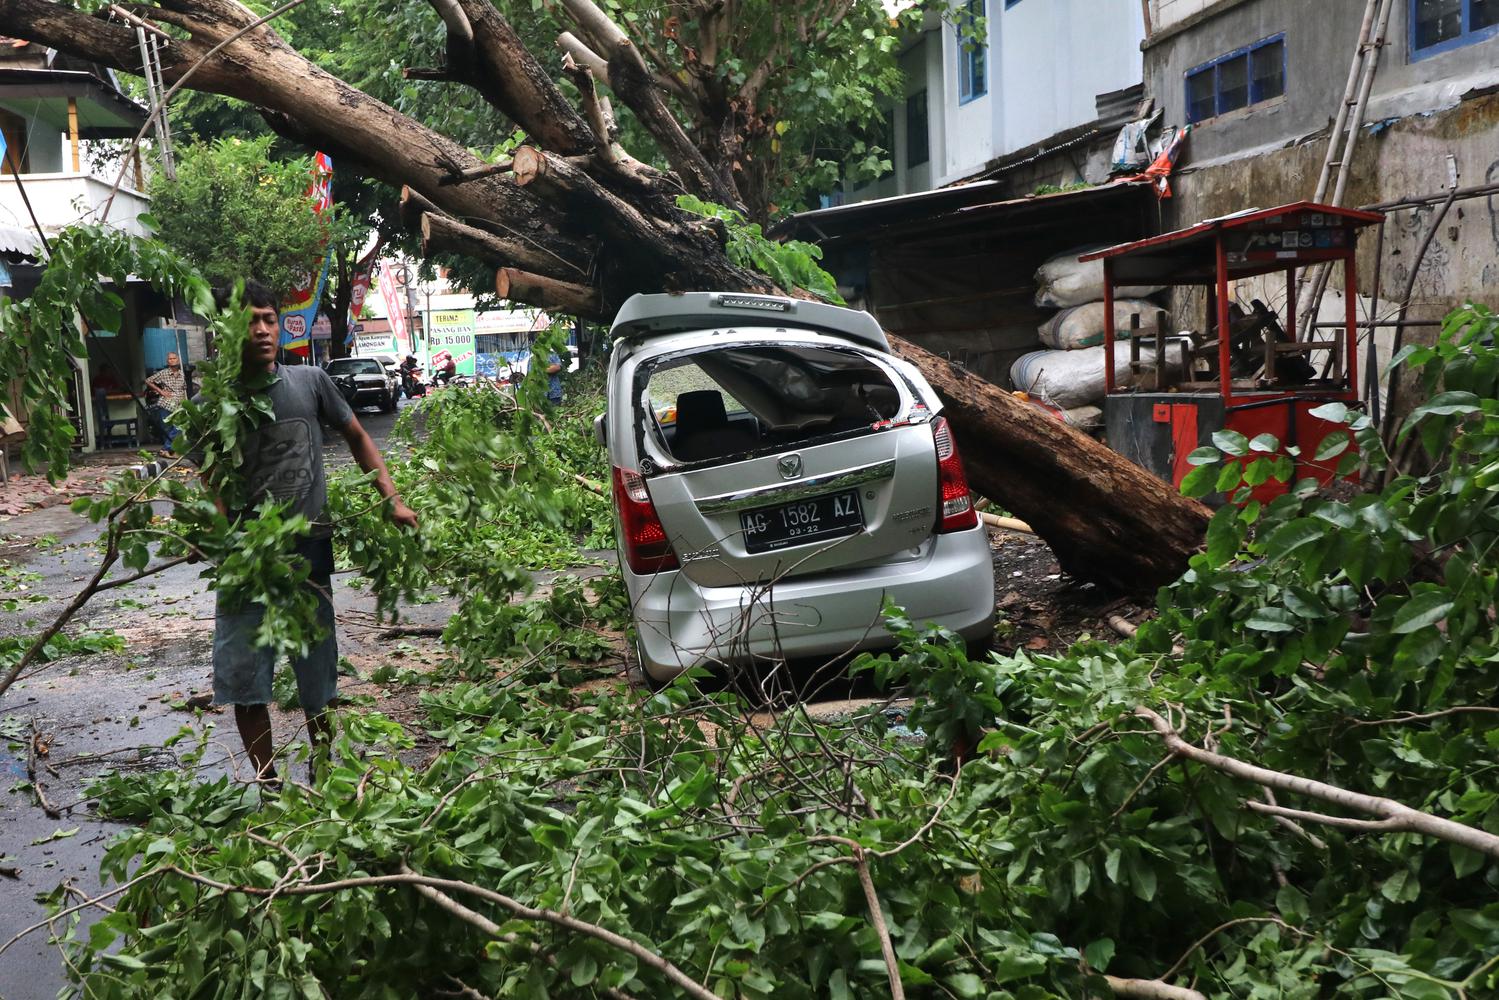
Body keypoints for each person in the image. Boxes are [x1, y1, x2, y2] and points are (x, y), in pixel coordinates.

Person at [204, 281, 418, 786]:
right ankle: (269, 784)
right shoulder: (218, 401)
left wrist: (392, 500)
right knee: (245, 677)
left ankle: (323, 774)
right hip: (247, 560)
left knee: (316, 670)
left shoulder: (311, 381)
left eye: (269, 319)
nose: (261, 330)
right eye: (251, 320)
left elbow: (359, 435)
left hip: (309, 550)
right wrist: (225, 543)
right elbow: (210, 478)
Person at [145, 351, 188, 451]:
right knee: (167, 429)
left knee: (178, 427)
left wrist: (186, 403)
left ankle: (167, 448)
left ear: (178, 360)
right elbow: (148, 381)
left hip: (179, 405)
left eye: (174, 358)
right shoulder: (163, 373)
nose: (172, 360)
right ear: (167, 362)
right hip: (166, 404)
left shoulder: (182, 374)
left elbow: (184, 389)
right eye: (170, 359)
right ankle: (168, 450)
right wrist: (161, 391)